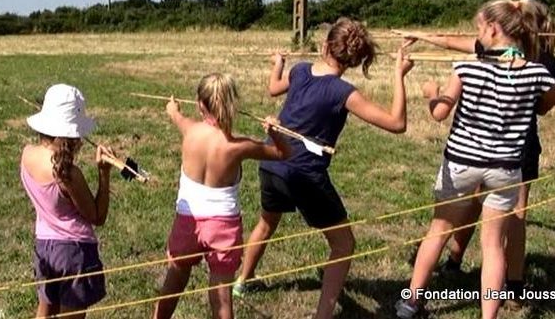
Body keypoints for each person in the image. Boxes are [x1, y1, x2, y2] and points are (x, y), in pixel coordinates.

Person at [396, 0, 555, 319]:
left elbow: (439, 113)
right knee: (493, 246)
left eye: (479, 28)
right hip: (506, 169)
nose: (477, 35)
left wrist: (430, 92)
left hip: (461, 164)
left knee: (438, 230)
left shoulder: (465, 68)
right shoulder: (534, 73)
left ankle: (411, 303)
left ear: (492, 29)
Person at [235, 18, 415, 319]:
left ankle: (242, 281)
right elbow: (397, 124)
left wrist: (277, 64)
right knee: (344, 243)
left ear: (325, 45)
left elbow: (272, 87)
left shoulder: (302, 69)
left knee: (267, 222)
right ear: (354, 59)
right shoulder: (343, 91)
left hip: (271, 162)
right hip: (303, 174)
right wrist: (399, 74)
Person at [153, 73, 291, 319]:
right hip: (223, 227)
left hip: (188, 222)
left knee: (174, 279)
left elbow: (176, 116)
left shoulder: (190, 130)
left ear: (199, 104)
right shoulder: (238, 146)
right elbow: (283, 154)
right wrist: (277, 132)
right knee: (222, 298)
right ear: (231, 104)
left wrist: (173, 109)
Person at [21, 84, 114, 319]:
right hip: (74, 252)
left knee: (45, 311)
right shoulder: (67, 173)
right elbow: (97, 216)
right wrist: (104, 173)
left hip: (45, 246)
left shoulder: (27, 154)